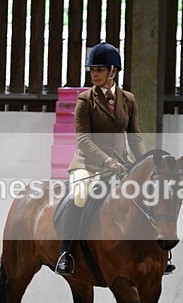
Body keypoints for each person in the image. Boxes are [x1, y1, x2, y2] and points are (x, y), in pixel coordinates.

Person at [55, 41, 148, 276]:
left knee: (147, 194)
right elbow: (83, 139)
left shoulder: (128, 99)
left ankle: (155, 252)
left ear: (113, 71)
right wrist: (107, 162)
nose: (94, 74)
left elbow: (135, 137)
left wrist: (146, 163)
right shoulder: (85, 100)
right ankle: (66, 252)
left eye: (99, 70)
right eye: (92, 70)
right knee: (80, 195)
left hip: (121, 164)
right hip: (89, 164)